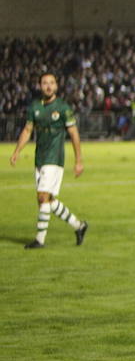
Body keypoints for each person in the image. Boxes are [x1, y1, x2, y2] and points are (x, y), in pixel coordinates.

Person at [9, 72, 89, 249]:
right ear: (40, 86)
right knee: (48, 200)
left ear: (56, 86)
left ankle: (40, 240)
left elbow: (74, 134)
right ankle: (79, 226)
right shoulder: (35, 107)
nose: (48, 86)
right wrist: (17, 151)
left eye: (51, 83)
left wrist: (78, 160)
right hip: (40, 158)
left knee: (42, 196)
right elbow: (27, 130)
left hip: (54, 158)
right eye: (45, 83)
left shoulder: (62, 107)